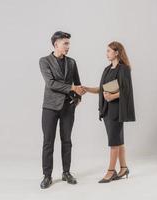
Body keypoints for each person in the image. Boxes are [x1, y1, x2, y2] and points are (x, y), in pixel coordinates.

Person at [39, 31, 86, 189]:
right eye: (65, 43)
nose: (68, 46)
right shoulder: (44, 61)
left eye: (68, 43)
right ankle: (47, 176)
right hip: (50, 108)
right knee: (48, 142)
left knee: (67, 141)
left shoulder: (72, 62)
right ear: (56, 44)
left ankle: (66, 172)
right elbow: (50, 83)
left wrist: (78, 98)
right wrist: (72, 87)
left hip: (68, 107)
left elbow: (78, 84)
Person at [84, 41, 136, 183]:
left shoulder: (123, 69)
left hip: (117, 110)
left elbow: (126, 90)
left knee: (114, 141)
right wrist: (86, 89)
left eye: (109, 51)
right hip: (107, 110)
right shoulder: (107, 70)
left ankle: (111, 171)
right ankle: (124, 168)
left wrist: (112, 96)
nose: (107, 53)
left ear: (117, 52)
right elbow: (102, 89)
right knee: (118, 141)